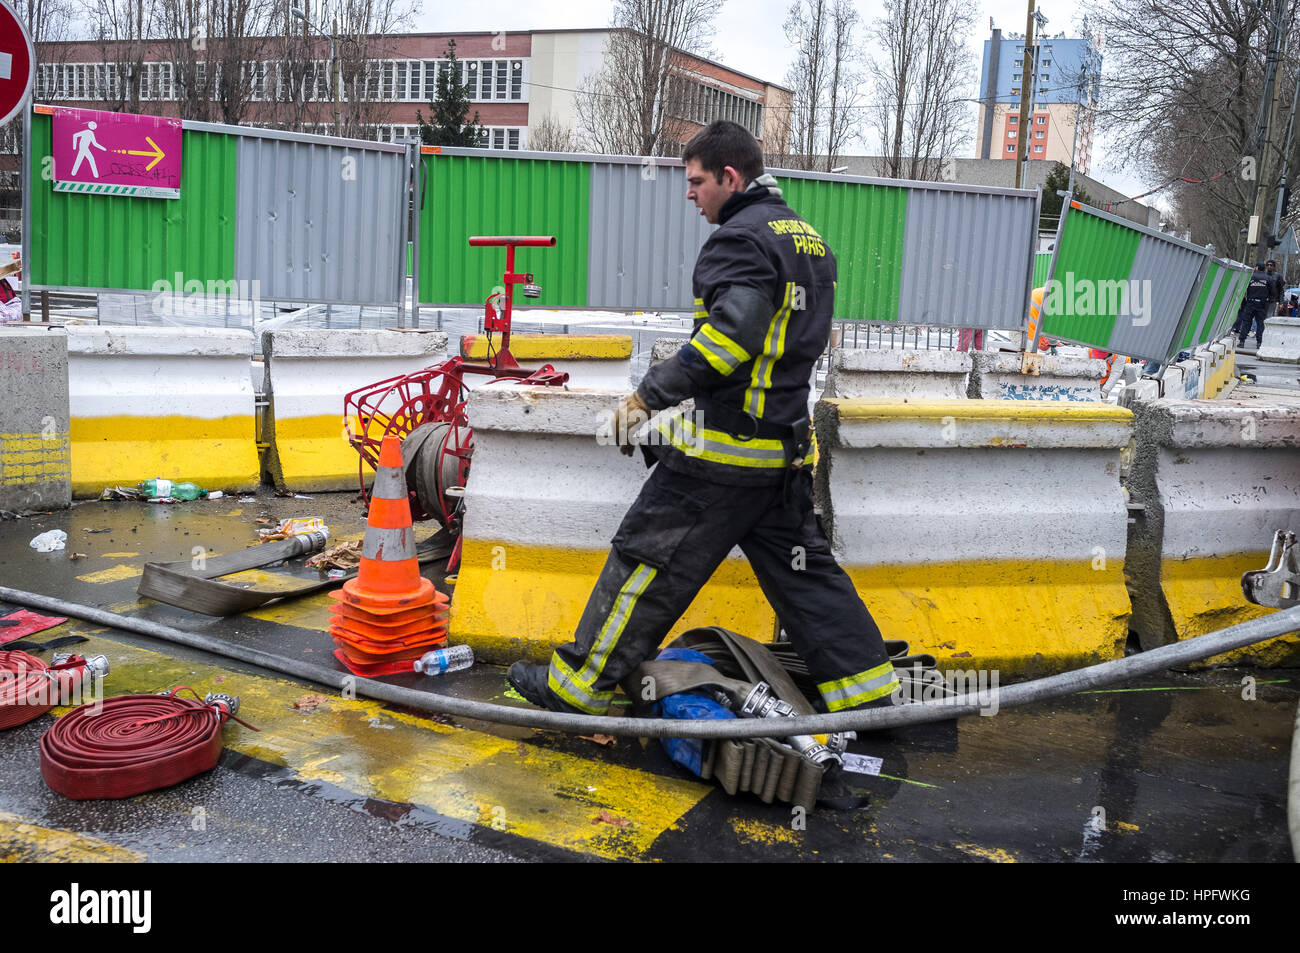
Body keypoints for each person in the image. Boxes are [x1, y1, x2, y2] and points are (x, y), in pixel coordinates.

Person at [506, 120, 900, 730]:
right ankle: (868, 699)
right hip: (781, 454)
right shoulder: (809, 241)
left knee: (645, 562)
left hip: (721, 457)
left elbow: (727, 342)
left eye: (696, 182)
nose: (690, 195)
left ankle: (580, 689)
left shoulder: (739, 239)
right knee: (808, 580)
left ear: (730, 176)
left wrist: (645, 400)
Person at [1235, 261, 1270, 349]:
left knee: (1246, 322)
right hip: (1262, 303)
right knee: (1260, 323)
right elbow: (1272, 291)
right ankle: (1259, 343)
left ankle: (1242, 341)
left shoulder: (1250, 277)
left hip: (1250, 302)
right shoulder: (1268, 278)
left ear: (1257, 267)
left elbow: (1243, 289)